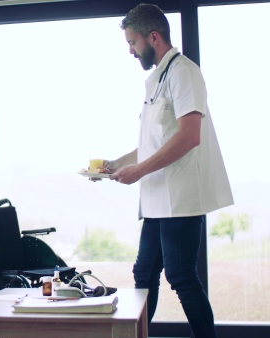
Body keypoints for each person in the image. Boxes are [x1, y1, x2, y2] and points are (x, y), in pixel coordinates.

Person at [99, 4, 234, 338]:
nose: (130, 50)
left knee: (181, 276)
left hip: (181, 197)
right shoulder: (156, 80)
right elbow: (154, 140)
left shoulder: (184, 73)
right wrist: (116, 165)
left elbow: (189, 136)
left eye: (133, 43)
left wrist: (139, 172)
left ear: (153, 37)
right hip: (159, 198)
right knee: (144, 274)